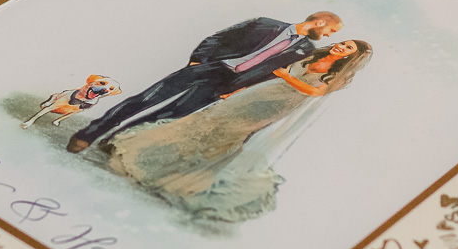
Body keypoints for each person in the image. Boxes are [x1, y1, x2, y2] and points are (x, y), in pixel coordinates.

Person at [105, 39, 374, 220]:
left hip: (274, 107)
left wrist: (288, 77)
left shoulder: (335, 76)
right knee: (202, 123)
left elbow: (315, 91)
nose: (341, 47)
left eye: (348, 48)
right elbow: (270, 74)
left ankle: (182, 181)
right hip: (257, 95)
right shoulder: (312, 55)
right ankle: (149, 161)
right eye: (342, 42)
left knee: (224, 138)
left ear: (353, 57)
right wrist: (241, 90)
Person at [65, 11, 343, 153]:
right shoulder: (264, 22)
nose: (330, 36)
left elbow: (271, 72)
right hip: (206, 68)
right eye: (331, 30)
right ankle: (88, 134)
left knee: (170, 114)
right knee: (144, 101)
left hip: (227, 84)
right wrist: (198, 61)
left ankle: (115, 141)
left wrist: (238, 89)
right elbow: (218, 38)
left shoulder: (305, 50)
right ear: (319, 22)